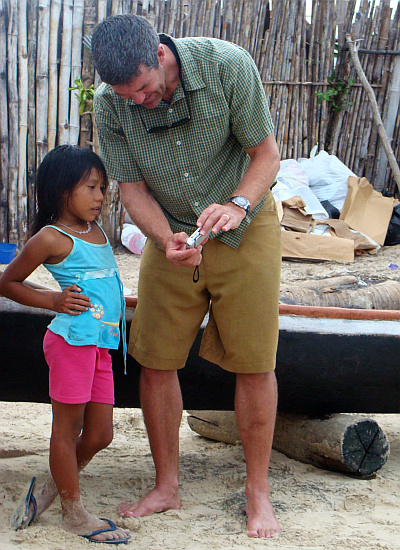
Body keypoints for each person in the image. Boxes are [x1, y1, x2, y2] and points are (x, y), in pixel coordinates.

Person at [91, 14, 281, 539]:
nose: (137, 102)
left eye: (143, 89)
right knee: (154, 357)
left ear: (158, 53)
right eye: (125, 95)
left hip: (246, 224)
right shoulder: (112, 104)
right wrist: (165, 240)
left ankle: (257, 491)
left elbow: (266, 156)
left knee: (254, 360)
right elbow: (131, 190)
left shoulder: (226, 65)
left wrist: (238, 205)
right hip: (172, 235)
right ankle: (166, 485)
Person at [0, 145, 131, 544]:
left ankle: (51, 490)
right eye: (91, 187)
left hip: (100, 345)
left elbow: (102, 280)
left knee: (101, 434)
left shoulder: (96, 232)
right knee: (67, 427)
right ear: (61, 190)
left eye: (103, 188)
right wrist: (53, 301)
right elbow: (8, 282)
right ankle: (73, 514)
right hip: (71, 342)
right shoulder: (51, 238)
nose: (100, 196)